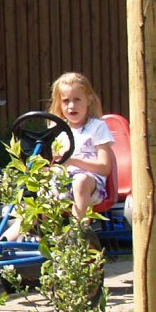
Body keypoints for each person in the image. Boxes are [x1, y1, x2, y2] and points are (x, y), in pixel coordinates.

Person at [50, 71, 116, 219]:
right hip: (63, 183)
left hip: (91, 186)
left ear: (89, 100)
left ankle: (77, 233)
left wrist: (72, 161)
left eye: (77, 99)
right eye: (66, 101)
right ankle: (4, 239)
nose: (72, 106)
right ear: (59, 104)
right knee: (38, 191)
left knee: (80, 181)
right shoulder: (57, 131)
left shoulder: (97, 127)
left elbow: (105, 168)